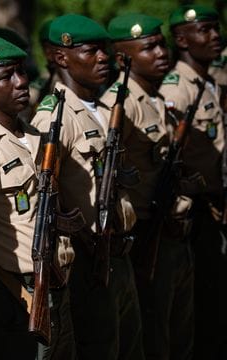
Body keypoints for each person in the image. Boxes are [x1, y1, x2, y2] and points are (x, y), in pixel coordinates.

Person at [30, 14, 143, 360]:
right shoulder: (54, 117)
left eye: (105, 50)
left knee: (131, 348)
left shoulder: (101, 110)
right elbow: (46, 196)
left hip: (120, 254)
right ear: (62, 58)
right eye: (91, 51)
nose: (103, 58)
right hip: (88, 260)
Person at [0, 35, 75, 360]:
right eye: (6, 76)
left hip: (56, 283)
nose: (22, 82)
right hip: (12, 295)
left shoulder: (34, 138)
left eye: (21, 71)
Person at [101, 13, 195, 359]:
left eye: (161, 44)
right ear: (124, 59)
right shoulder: (121, 104)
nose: (161, 52)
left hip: (175, 230)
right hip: (146, 234)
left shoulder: (156, 96)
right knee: (154, 336)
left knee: (181, 332)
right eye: (149, 47)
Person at [158, 5, 226, 359]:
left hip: (215, 206)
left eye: (216, 28)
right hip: (193, 212)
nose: (215, 35)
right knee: (201, 308)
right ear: (182, 39)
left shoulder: (209, 82)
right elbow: (170, 156)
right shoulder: (177, 88)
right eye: (205, 29)